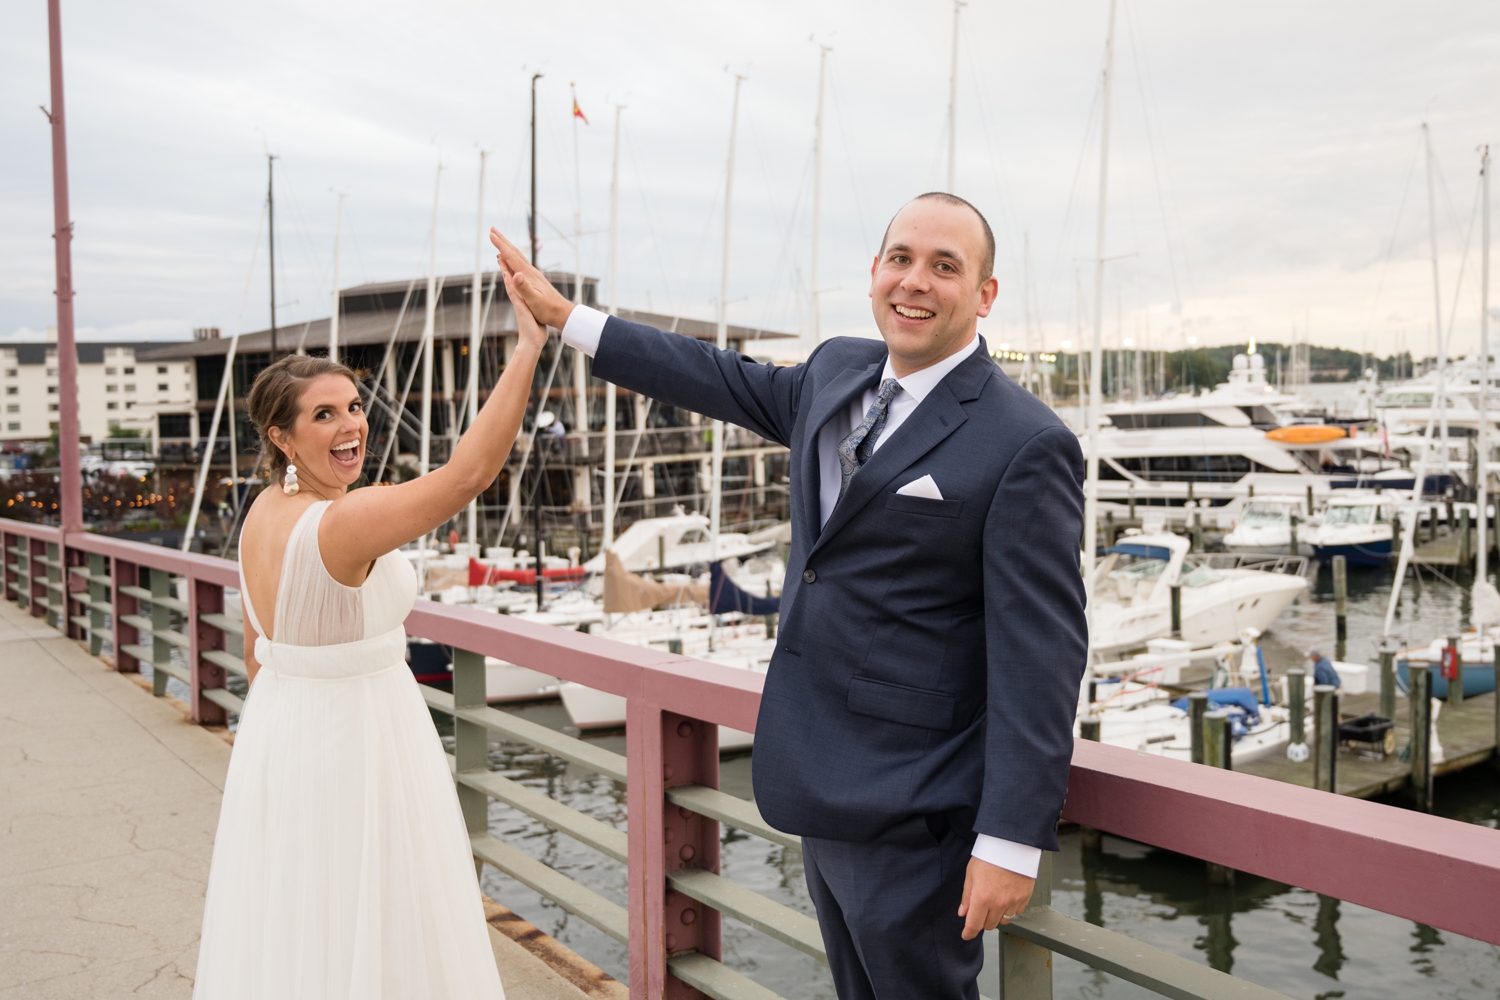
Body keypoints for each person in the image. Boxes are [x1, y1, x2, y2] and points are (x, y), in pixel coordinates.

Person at [490, 191, 1088, 1000]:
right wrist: (570, 318)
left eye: (946, 266)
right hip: (820, 778)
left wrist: (1011, 840)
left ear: (983, 294)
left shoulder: (1025, 442)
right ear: (874, 270)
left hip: (917, 810)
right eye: (901, 259)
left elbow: (1041, 656)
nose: (915, 281)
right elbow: (712, 375)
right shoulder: (839, 370)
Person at [192, 268, 548, 998]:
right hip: (360, 741)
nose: (351, 425)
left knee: (304, 920)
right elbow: (469, 474)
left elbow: (262, 651)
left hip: (285, 739)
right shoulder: (343, 522)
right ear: (281, 436)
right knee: (380, 917)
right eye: (323, 416)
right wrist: (528, 347)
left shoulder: (262, 514)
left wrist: (270, 750)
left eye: (354, 407)